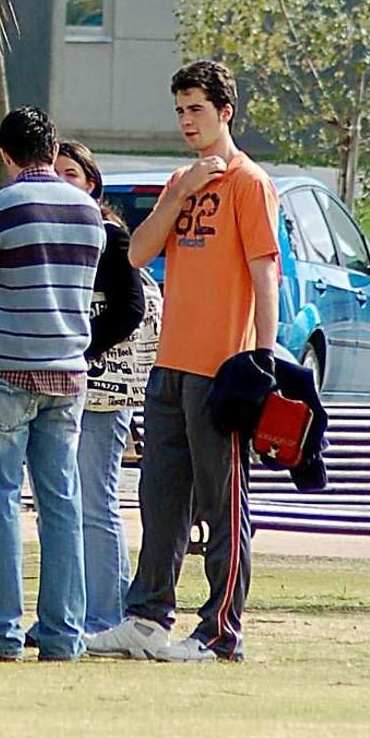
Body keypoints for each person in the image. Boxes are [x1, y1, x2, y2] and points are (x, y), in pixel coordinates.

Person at [85, 58, 280, 664]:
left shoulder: (250, 182)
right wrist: (185, 190)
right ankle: (146, 618)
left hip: (223, 367)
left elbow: (264, 270)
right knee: (160, 498)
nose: (187, 120)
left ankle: (221, 631)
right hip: (169, 365)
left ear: (225, 112)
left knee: (223, 505)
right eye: (179, 110)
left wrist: (262, 358)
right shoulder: (182, 179)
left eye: (197, 109)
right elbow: (138, 253)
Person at [0, 106, 103, 664]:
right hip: (69, 372)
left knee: (0, 503)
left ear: (6, 154)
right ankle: (63, 636)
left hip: (6, 370)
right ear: (51, 147)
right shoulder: (87, 211)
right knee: (61, 503)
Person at [53, 140, 157, 635]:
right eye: (53, 173)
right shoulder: (50, 231)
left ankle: (106, 614)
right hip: (58, 386)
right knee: (64, 502)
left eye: (71, 173)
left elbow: (130, 309)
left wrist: (82, 349)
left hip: (102, 390)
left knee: (95, 500)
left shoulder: (109, 236)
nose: (61, 181)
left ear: (91, 183)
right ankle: (70, 612)